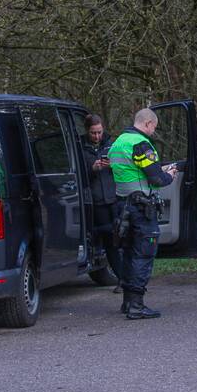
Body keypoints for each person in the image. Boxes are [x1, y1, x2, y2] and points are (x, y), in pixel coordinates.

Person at [109, 108, 178, 319]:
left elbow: (135, 171)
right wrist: (170, 176)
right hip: (141, 208)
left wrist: (158, 170)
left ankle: (128, 303)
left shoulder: (119, 142)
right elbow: (156, 179)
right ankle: (137, 306)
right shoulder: (140, 144)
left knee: (129, 254)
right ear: (148, 123)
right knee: (143, 255)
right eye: (154, 128)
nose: (153, 132)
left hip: (123, 206)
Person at [81, 114, 123, 291]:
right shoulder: (80, 147)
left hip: (115, 197)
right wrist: (93, 169)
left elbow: (125, 167)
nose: (97, 136)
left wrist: (114, 164)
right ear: (87, 131)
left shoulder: (112, 145)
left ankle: (127, 276)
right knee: (109, 241)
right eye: (93, 133)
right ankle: (123, 278)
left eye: (99, 132)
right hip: (96, 201)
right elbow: (77, 174)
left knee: (122, 239)